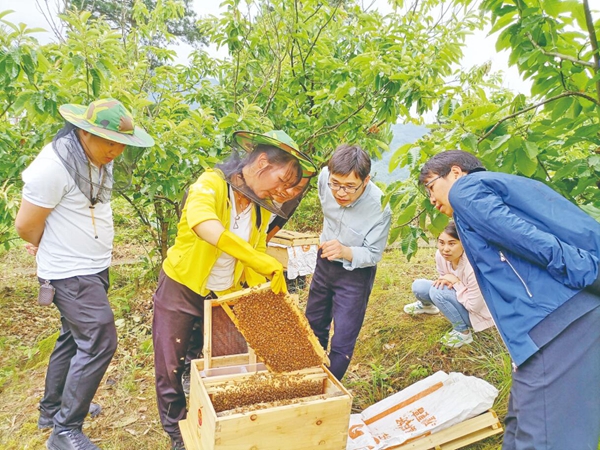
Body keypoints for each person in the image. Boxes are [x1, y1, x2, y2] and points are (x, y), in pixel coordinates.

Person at [418, 150, 600, 450]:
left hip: (557, 323)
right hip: (552, 324)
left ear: (455, 172)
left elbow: (530, 240)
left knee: (545, 438)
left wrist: (589, 274)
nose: (432, 200)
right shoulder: (493, 192)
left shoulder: (467, 191)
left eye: (431, 187)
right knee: (521, 430)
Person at [152, 129, 316, 449]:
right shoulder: (211, 184)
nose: (282, 189)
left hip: (224, 293)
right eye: (282, 179)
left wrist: (271, 300)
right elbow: (203, 223)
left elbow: (255, 260)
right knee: (170, 362)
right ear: (262, 163)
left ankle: (211, 415)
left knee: (220, 358)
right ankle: (176, 430)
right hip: (182, 286)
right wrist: (256, 257)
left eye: (288, 186)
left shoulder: (258, 209)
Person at [14, 99, 154, 450]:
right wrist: (46, 246)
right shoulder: (53, 167)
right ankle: (65, 431)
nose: (116, 150)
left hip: (92, 267)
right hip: (70, 273)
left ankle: (52, 409)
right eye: (108, 141)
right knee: (100, 339)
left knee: (73, 339)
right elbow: (26, 225)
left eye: (122, 143)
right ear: (84, 131)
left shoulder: (91, 159)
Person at [305, 144, 392, 380]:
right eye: (336, 184)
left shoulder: (380, 207)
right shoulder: (325, 179)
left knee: (343, 337)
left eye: (350, 187)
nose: (341, 193)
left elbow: (373, 254)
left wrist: (345, 251)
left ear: (366, 181)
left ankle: (328, 390)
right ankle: (309, 377)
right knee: (313, 324)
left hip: (355, 274)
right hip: (324, 262)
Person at [404, 222, 494, 348]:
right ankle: (427, 307)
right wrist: (451, 282)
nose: (445, 249)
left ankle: (463, 332)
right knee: (418, 286)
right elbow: (444, 279)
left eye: (452, 243)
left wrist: (456, 282)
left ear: (463, 244)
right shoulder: (441, 256)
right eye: (441, 242)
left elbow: (474, 307)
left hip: (478, 315)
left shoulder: (473, 267)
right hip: (461, 298)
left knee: (438, 292)